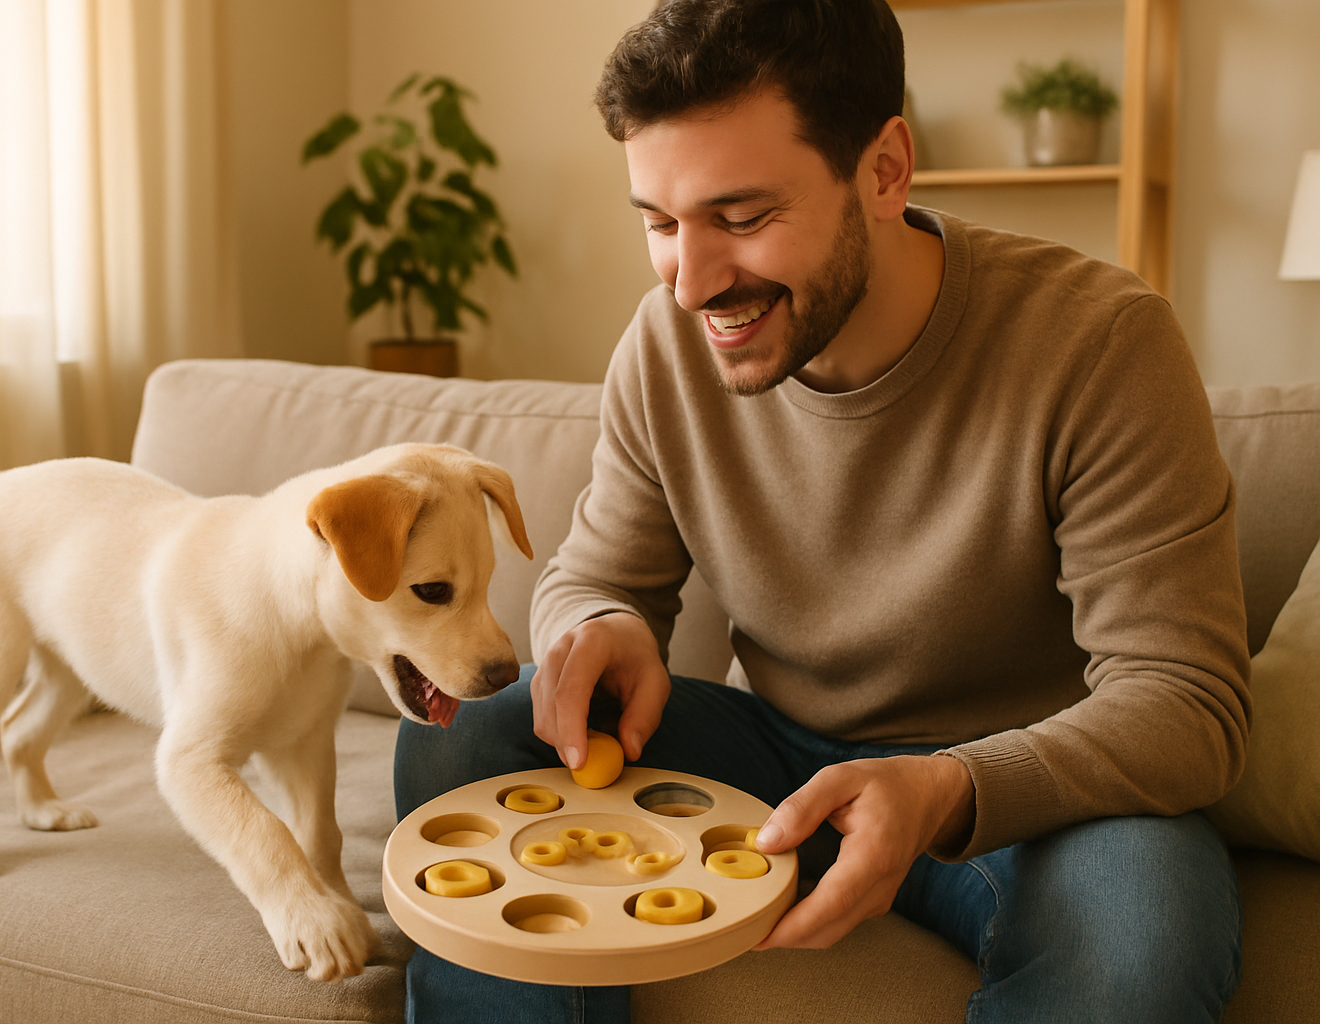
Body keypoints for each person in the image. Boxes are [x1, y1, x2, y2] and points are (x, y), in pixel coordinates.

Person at [395, 1, 1251, 1021]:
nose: (693, 283)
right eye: (662, 224)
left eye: (744, 217)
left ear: (885, 169)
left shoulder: (1099, 342)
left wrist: (947, 787)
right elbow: (603, 573)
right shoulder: (667, 346)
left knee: (1146, 938)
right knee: (468, 731)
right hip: (779, 759)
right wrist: (599, 626)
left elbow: (1186, 700)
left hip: (1030, 790)